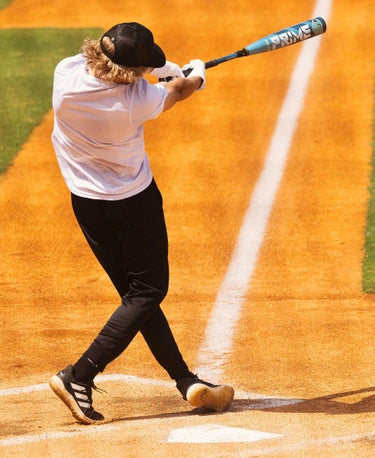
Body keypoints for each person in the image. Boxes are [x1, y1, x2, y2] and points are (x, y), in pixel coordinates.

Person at [48, 22, 234, 425]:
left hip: (87, 205)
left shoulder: (66, 74)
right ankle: (79, 374)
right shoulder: (135, 102)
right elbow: (178, 92)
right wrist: (194, 74)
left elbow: (138, 77)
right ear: (133, 72)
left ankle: (185, 380)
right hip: (134, 205)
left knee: (137, 299)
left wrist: (164, 71)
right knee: (149, 290)